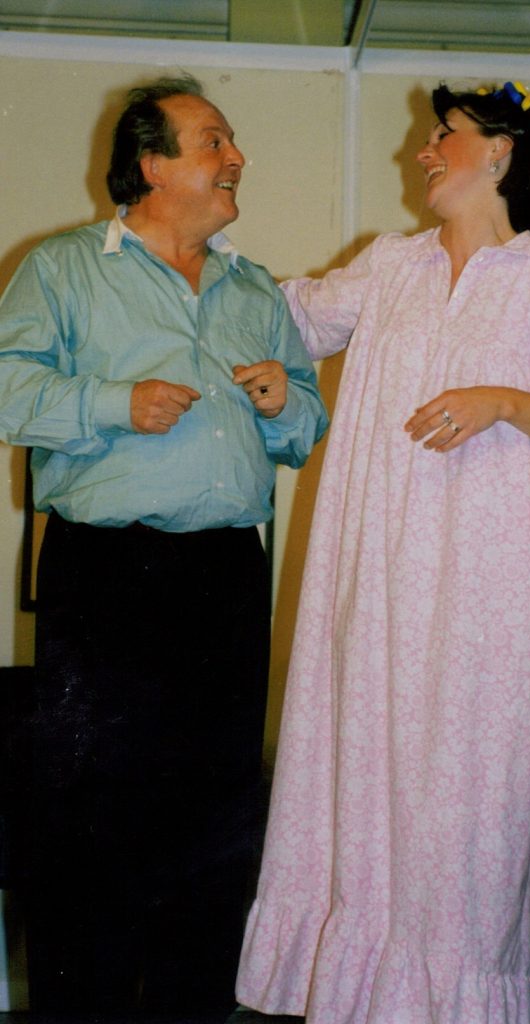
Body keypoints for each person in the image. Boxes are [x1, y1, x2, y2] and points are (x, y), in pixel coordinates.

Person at [236, 81, 530, 1023]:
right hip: (376, 593)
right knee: (359, 800)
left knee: (466, 824)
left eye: (443, 136)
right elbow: (285, 314)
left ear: (499, 151)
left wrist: (501, 400)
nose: (423, 151)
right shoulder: (391, 267)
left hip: (486, 605)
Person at [0, 73, 327, 1019]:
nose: (236, 158)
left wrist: (285, 403)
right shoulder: (64, 268)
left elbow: (305, 429)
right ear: (151, 165)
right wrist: (115, 403)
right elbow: (6, 388)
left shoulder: (254, 289)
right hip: (106, 572)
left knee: (215, 823)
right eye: (214, 140)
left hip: (226, 574)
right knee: (89, 820)